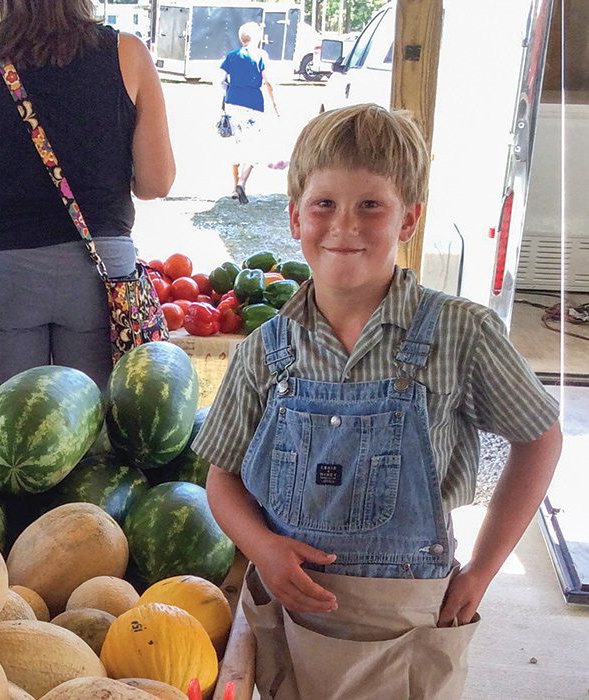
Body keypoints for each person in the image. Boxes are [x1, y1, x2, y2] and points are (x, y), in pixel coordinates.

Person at [194, 104, 562, 699]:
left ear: (409, 219)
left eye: (371, 204)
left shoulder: (460, 333)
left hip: (412, 620)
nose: (345, 225)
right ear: (293, 217)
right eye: (324, 204)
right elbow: (221, 477)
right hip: (296, 618)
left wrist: (482, 573)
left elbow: (540, 437)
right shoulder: (266, 350)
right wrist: (261, 548)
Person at [0, 0, 176, 388]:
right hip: (100, 276)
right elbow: (156, 182)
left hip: (2, 274)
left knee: (15, 428)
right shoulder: (128, 54)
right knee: (90, 428)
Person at [219, 21, 279, 204]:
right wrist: (275, 104)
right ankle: (243, 183)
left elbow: (220, 80)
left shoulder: (231, 56)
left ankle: (233, 188)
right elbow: (268, 82)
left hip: (232, 103)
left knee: (236, 143)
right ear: (258, 37)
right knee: (254, 145)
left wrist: (227, 92)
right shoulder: (261, 55)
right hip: (253, 104)